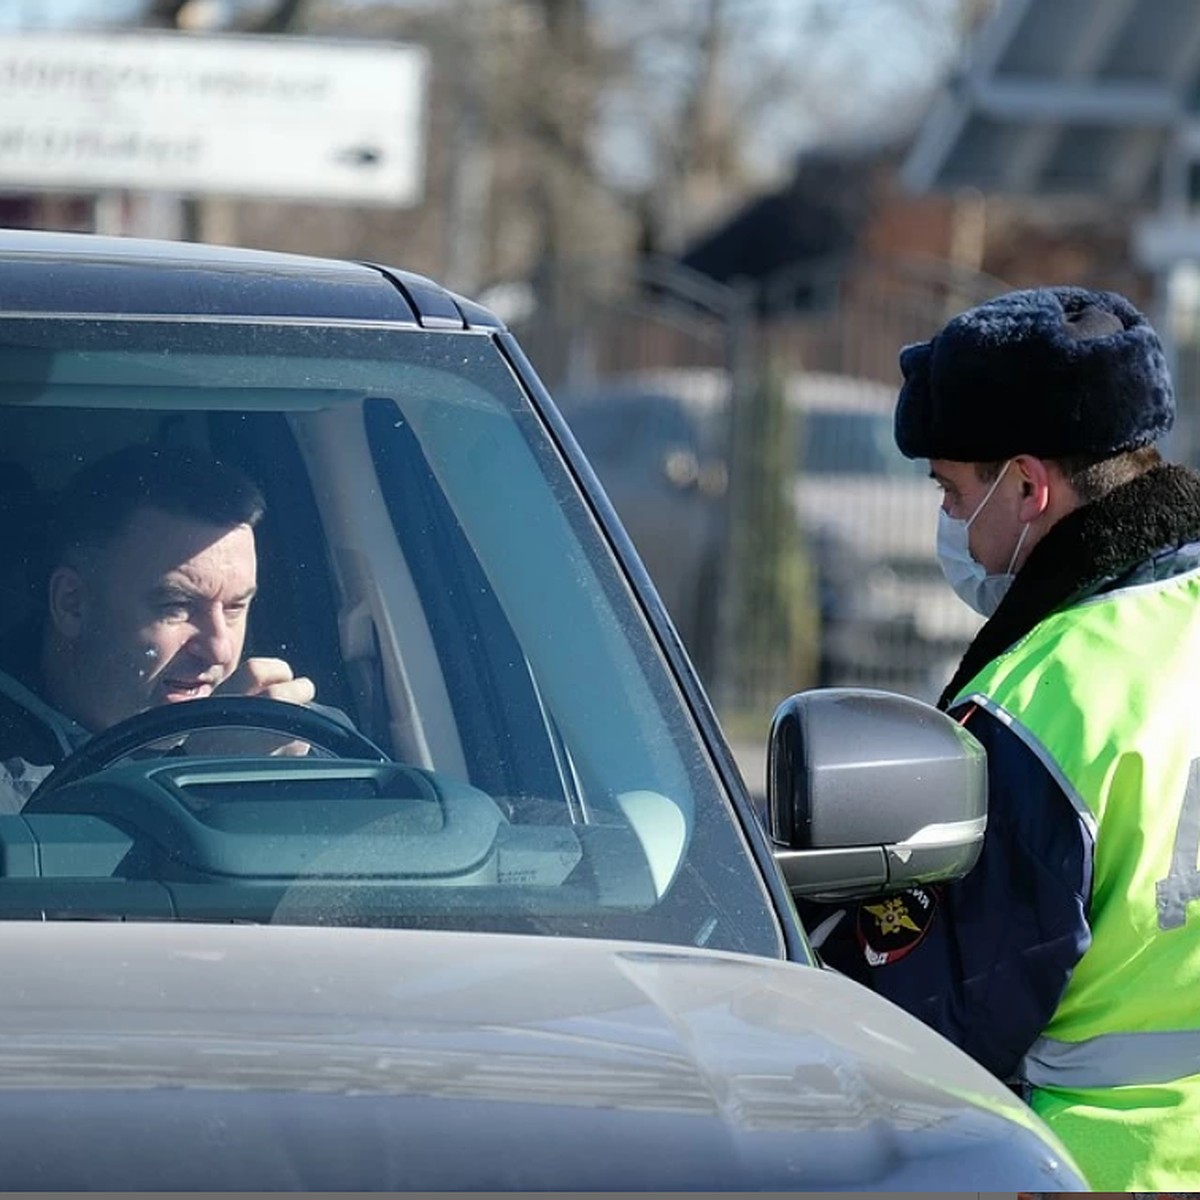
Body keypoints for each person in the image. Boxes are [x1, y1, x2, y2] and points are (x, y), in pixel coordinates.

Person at [808, 286, 1200, 1190]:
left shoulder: (1050, 694)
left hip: (1096, 1169)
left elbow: (927, 1025)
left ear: (1028, 486)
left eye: (952, 493)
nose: (952, 529)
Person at [0, 443, 316, 808]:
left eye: (235, 607)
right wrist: (206, 779)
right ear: (72, 604)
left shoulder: (296, 738)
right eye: (177, 606)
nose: (220, 649)